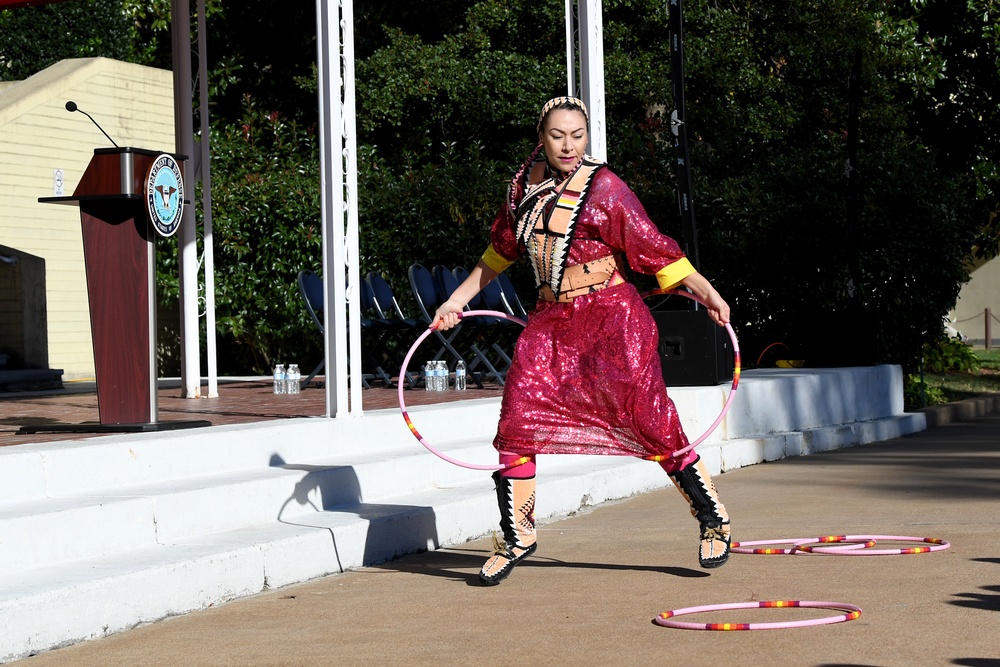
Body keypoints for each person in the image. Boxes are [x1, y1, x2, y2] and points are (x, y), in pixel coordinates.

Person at [434, 96, 733, 586]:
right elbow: (499, 254)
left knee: (650, 420)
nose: (569, 145)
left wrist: (710, 296)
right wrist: (456, 301)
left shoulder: (606, 188)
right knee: (518, 419)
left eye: (578, 135)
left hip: (613, 319)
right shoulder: (520, 188)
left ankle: (713, 518)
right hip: (551, 322)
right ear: (542, 137)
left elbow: (656, 251)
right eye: (558, 136)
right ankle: (517, 536)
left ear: (587, 136)